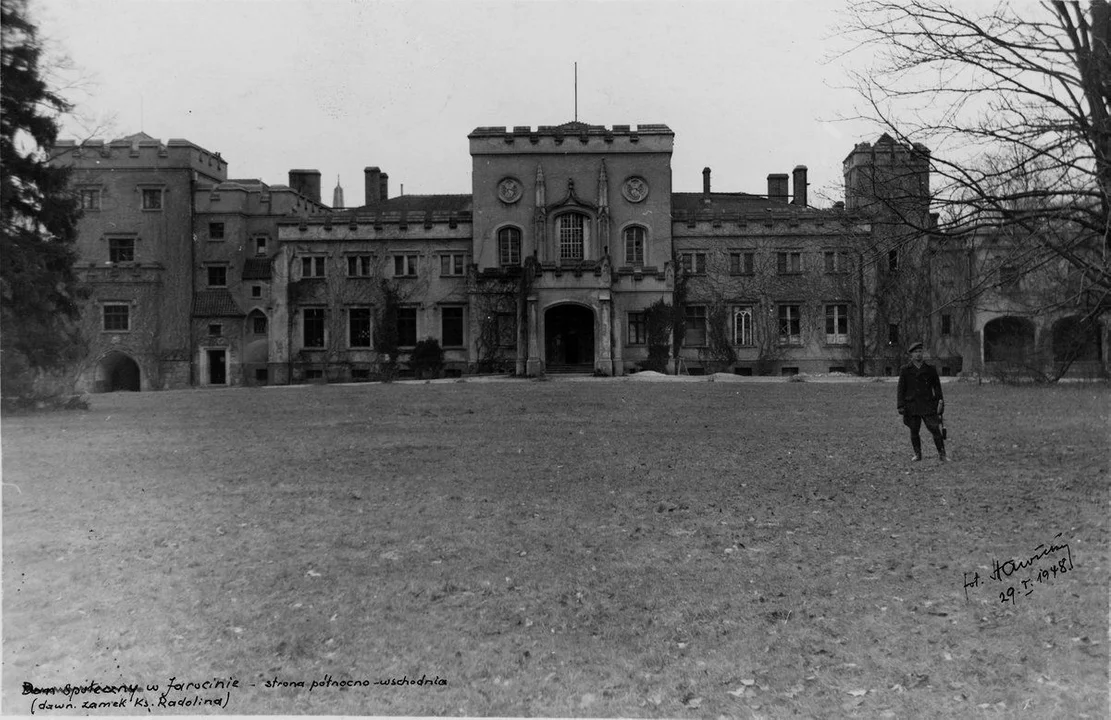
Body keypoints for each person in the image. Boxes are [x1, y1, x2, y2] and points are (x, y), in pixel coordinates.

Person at [897, 341, 947, 462]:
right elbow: (901, 388)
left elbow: (937, 387)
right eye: (915, 352)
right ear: (911, 355)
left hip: (928, 404)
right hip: (912, 405)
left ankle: (942, 454)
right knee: (914, 430)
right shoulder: (905, 370)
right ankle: (917, 454)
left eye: (920, 352)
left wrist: (940, 403)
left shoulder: (930, 369)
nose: (918, 354)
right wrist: (900, 405)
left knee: (935, 429)